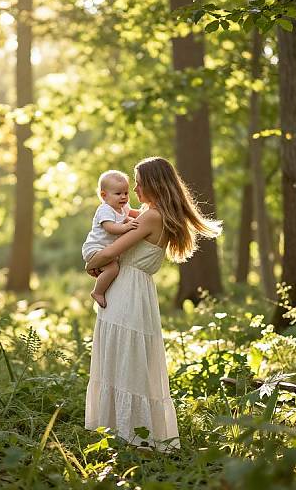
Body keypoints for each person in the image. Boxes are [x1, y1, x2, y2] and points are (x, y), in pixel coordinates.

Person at [84, 156, 222, 451]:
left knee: (123, 359)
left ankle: (127, 435)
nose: (134, 188)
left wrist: (92, 262)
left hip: (127, 292)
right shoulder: (157, 214)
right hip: (139, 291)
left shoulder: (150, 217)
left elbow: (111, 253)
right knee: (133, 362)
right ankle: (131, 432)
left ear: (153, 184)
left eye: (138, 182)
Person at [82, 170, 139, 308]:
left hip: (106, 248)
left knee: (114, 266)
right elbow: (111, 228)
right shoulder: (105, 210)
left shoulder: (123, 207)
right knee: (113, 269)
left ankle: (105, 289)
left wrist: (144, 213)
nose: (123, 197)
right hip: (95, 247)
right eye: (118, 194)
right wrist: (127, 226)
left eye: (125, 193)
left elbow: (134, 214)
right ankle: (97, 292)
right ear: (104, 195)